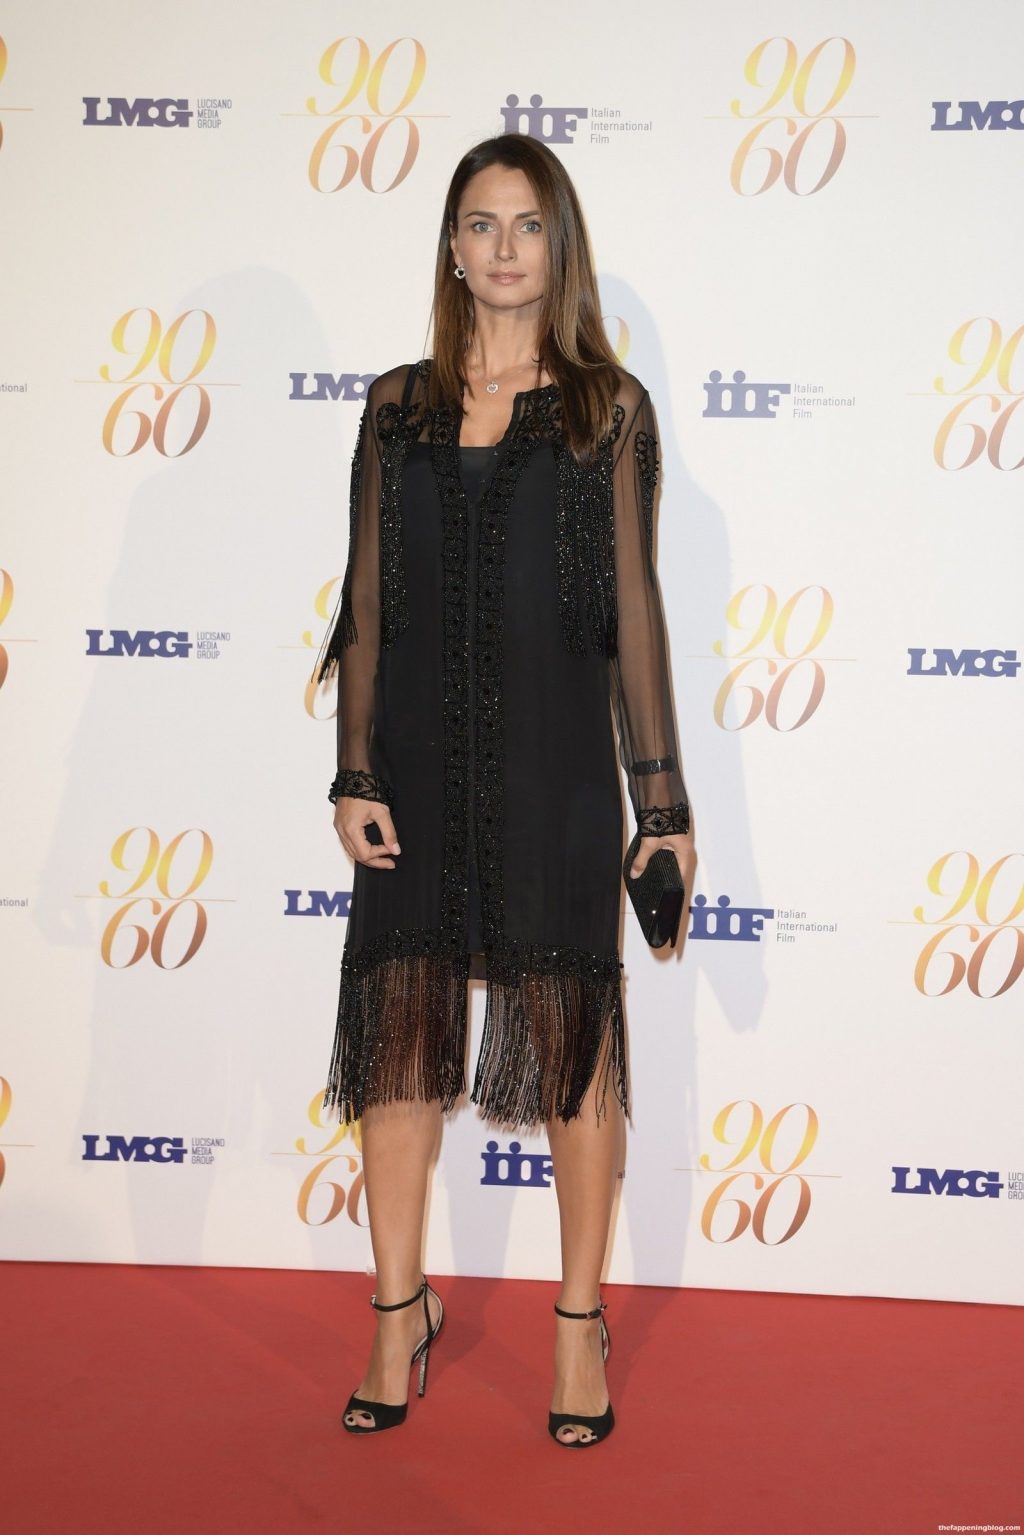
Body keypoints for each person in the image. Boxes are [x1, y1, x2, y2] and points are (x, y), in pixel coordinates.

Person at [311, 132, 693, 1448]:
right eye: (481, 223)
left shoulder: (605, 410)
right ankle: (395, 1310)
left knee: (575, 1049)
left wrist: (661, 807)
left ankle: (578, 1323)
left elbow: (633, 610)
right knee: (399, 1046)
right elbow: (367, 600)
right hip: (417, 774)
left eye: (529, 224)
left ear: (559, 245)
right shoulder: (396, 408)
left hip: (556, 773)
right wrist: (355, 768)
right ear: (453, 246)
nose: (505, 247)